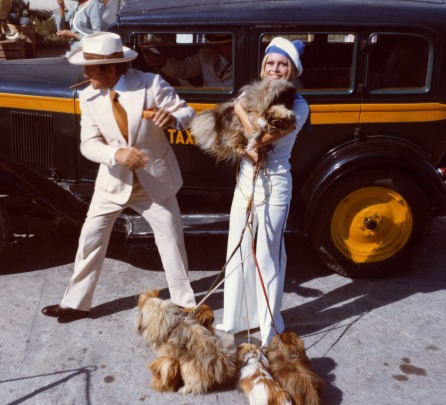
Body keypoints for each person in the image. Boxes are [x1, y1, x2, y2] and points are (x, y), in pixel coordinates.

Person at [41, 31, 197, 320]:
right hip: (112, 183)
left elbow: (187, 113)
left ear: (111, 69)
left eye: (90, 68)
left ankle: (185, 305)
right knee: (90, 239)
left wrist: (173, 119)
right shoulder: (88, 96)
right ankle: (76, 303)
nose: (85, 73)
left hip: (156, 182)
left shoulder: (150, 84)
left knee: (172, 242)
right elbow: (88, 144)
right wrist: (116, 155)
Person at [215, 37, 310, 347]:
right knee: (237, 249)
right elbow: (237, 139)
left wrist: (240, 110)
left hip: (275, 183)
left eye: (282, 64)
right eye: (270, 63)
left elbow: (262, 136)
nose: (275, 69)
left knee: (268, 255)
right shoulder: (252, 95)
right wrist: (243, 138)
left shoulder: (298, 106)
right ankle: (235, 320)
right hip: (246, 180)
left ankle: (269, 327)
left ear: (292, 70)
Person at [143, 33, 233, 88]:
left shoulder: (246, 60)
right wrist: (161, 61)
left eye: (228, 44)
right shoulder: (206, 54)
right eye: (219, 44)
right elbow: (183, 69)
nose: (219, 47)